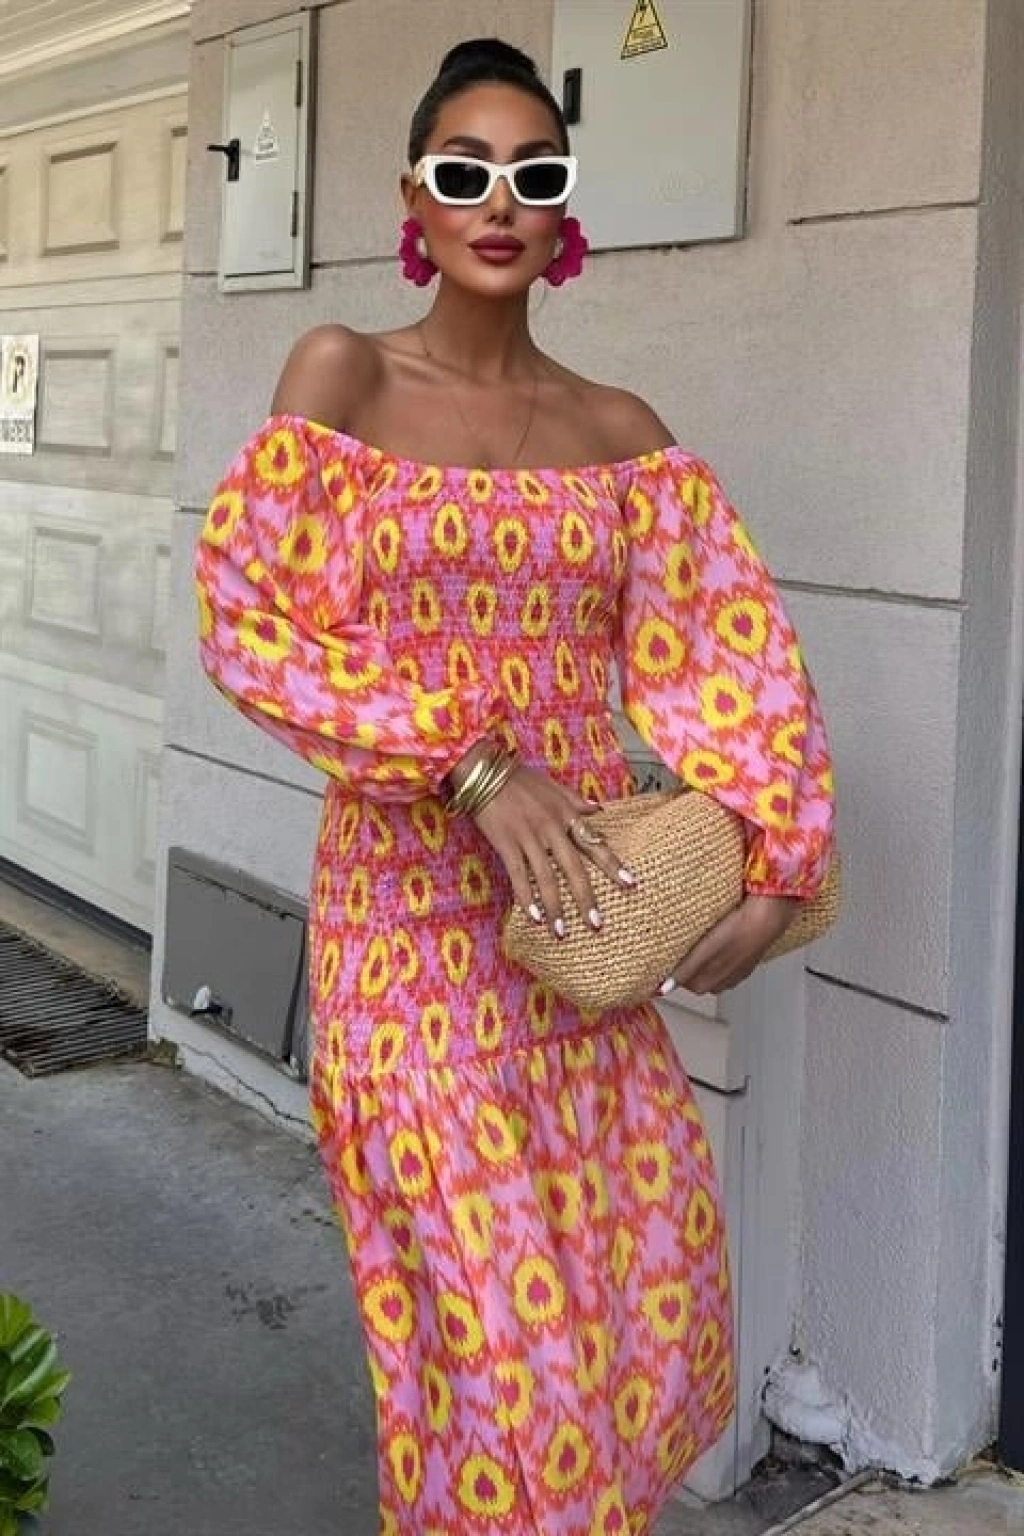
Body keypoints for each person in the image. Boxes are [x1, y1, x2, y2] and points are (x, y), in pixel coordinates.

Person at [195, 36, 835, 1536]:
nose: (500, 198)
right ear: (414, 195)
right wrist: (475, 764)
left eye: (534, 173)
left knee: (630, 1319)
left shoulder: (624, 440)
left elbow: (734, 666)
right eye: (465, 168)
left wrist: (778, 861)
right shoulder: (344, 376)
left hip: (579, 944)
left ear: (563, 210)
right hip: (407, 938)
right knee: (501, 1357)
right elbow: (250, 621)